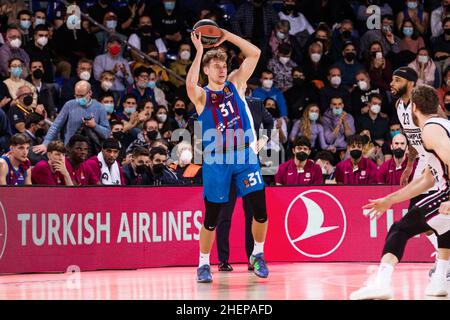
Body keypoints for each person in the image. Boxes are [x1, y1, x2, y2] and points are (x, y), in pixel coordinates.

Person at [351, 85, 450, 300]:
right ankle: (441, 278)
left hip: (448, 191)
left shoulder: (430, 129)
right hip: (444, 188)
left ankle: (381, 282)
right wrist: (390, 200)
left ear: (414, 107)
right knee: (443, 227)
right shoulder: (443, 125)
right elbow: (427, 179)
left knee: (399, 229)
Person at [187, 28, 269, 282]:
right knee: (212, 217)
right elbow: (190, 84)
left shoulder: (235, 85)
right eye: (216, 66)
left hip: (245, 156)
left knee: (260, 210)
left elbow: (255, 53)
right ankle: (203, 263)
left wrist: (227, 35)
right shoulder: (202, 96)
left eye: (224, 65)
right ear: (206, 71)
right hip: (217, 159)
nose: (222, 70)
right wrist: (200, 51)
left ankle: (258, 253)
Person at [34, 81, 111, 153]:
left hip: (92, 152)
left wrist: (95, 126)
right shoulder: (69, 105)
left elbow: (107, 134)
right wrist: (45, 144)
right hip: (70, 151)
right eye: (76, 95)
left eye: (82, 96)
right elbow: (56, 126)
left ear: (90, 93)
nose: (79, 98)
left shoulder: (100, 107)